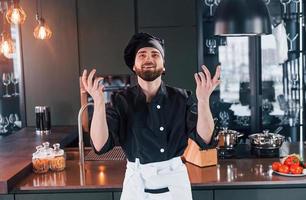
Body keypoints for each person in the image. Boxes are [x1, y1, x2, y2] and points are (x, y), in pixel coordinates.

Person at [81, 32, 221, 200]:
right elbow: (100, 145)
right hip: (136, 182)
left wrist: (204, 100)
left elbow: (205, 140)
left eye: (155, 54)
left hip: (174, 182)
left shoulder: (182, 98)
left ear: (163, 66)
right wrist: (98, 102)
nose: (148, 59)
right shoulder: (120, 100)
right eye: (142, 55)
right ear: (134, 66)